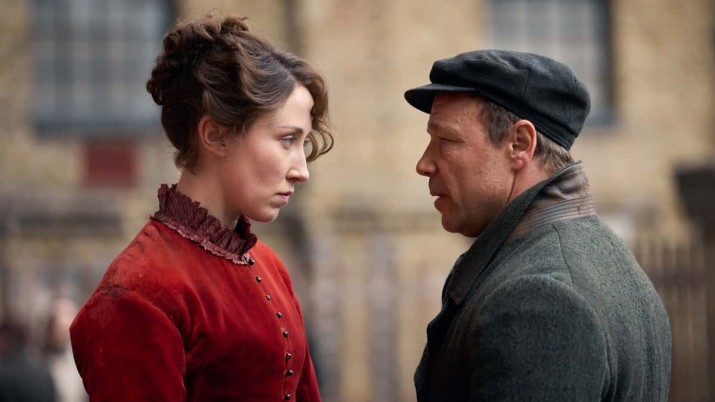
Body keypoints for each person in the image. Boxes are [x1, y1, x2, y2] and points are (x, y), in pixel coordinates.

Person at [70, 13, 332, 402]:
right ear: (215, 134)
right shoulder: (137, 294)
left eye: (303, 144)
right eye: (286, 140)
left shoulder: (269, 265)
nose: (302, 171)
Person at [404, 50, 671, 401]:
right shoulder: (611, 263)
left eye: (447, 140)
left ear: (519, 144)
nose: (424, 163)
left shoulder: (540, 299)